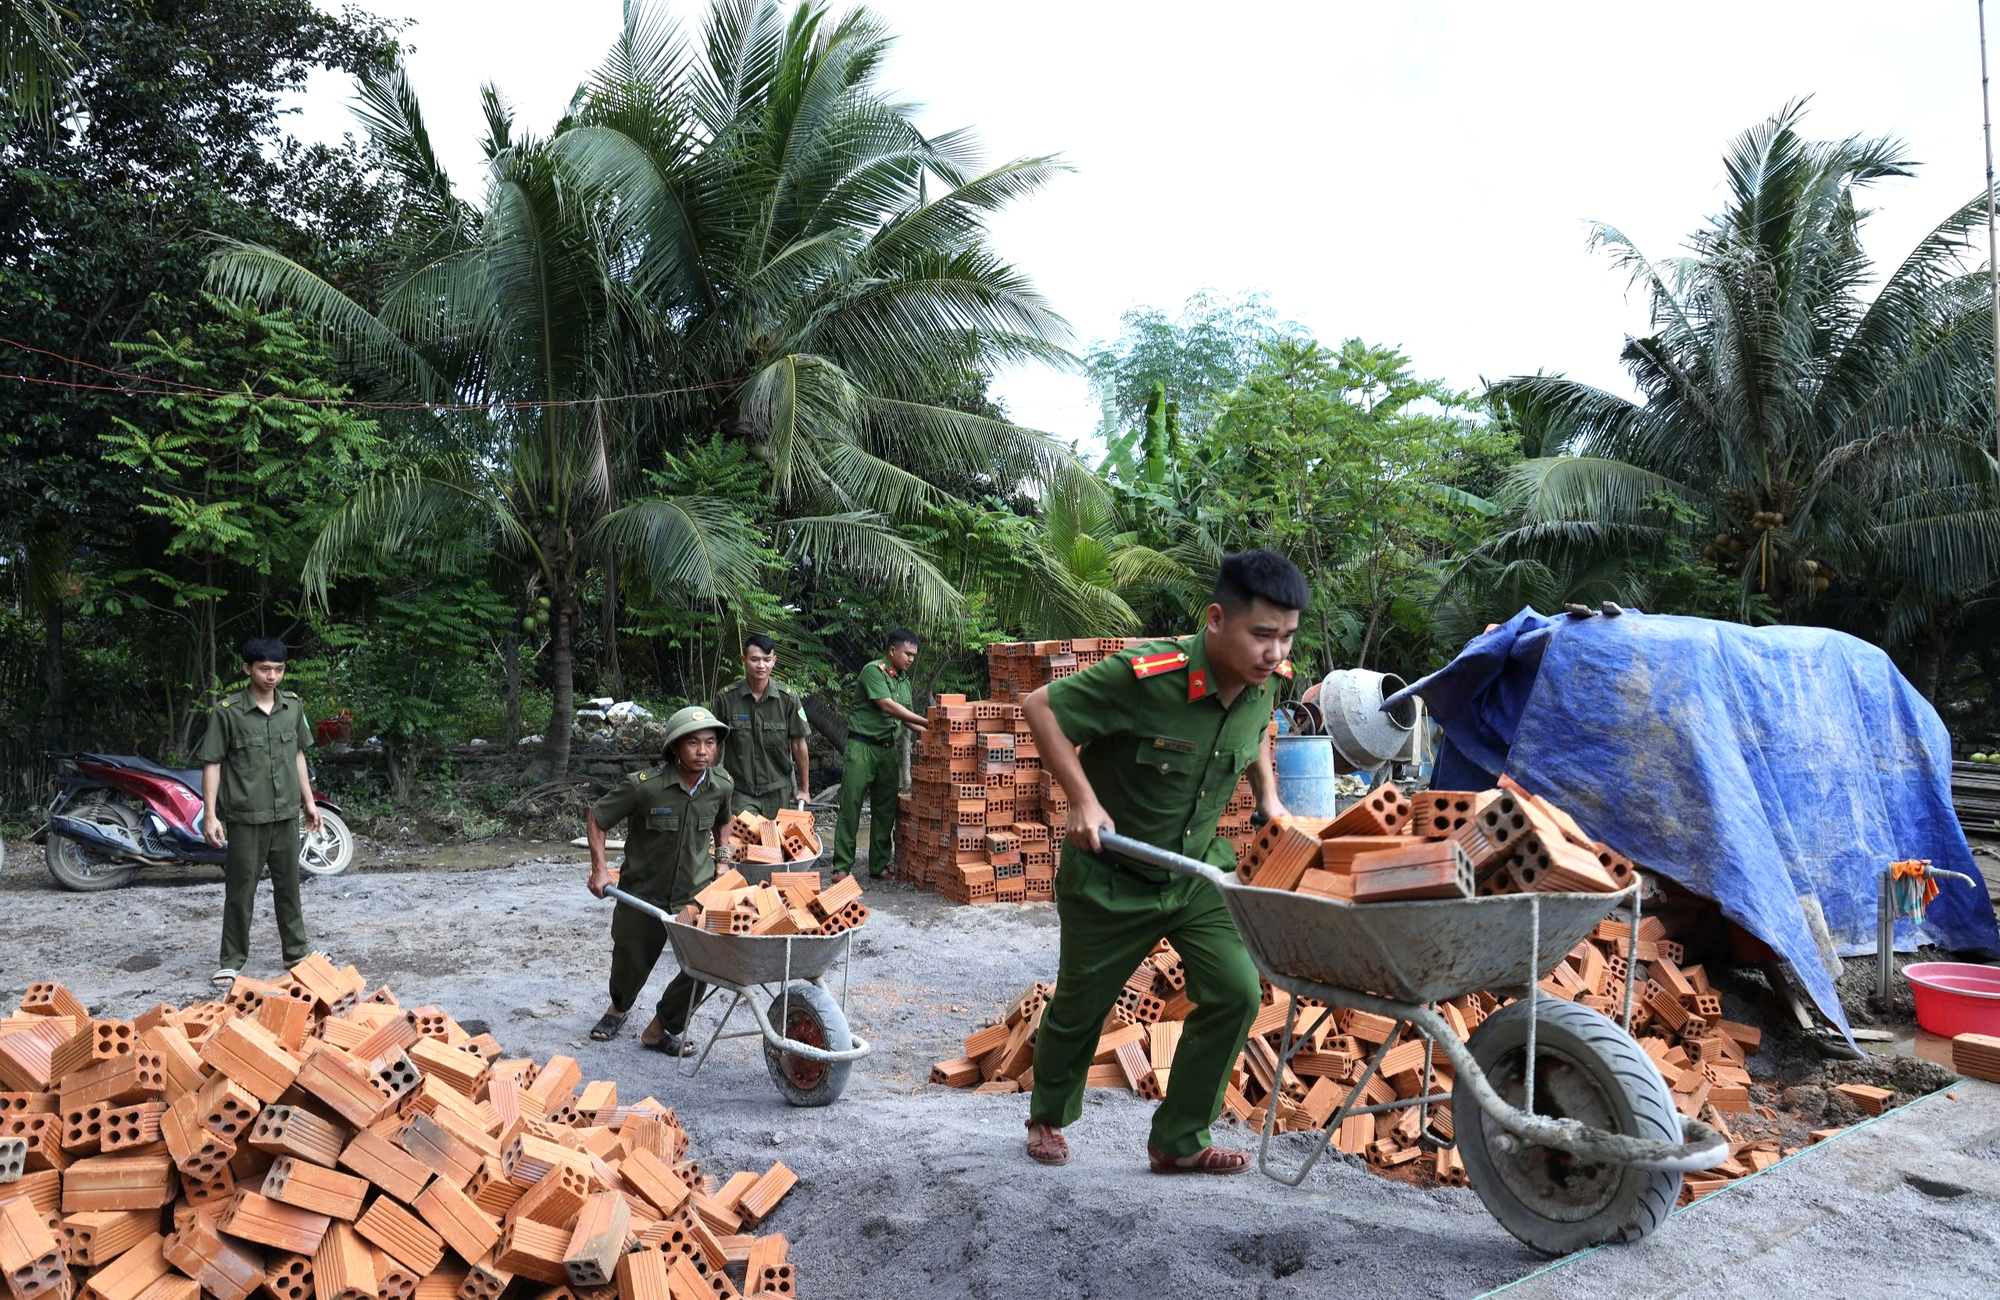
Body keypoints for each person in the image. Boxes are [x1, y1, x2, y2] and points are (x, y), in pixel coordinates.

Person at [1018, 551, 1305, 1174]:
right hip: (1112, 872)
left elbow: (1256, 728)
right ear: (1216, 619)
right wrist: (1084, 802)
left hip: (1197, 871)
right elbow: (1041, 707)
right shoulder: (1147, 675)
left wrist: (1269, 794)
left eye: (1286, 637)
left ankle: (1178, 1139)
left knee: (1236, 991)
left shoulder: (1267, 681)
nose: (1275, 653)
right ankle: (1048, 1116)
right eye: (1262, 635)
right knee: (1081, 1005)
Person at [584, 705, 736, 1052]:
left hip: (695, 896)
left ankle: (662, 1026)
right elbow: (598, 816)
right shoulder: (645, 787)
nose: (703, 751)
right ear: (675, 748)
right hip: (643, 893)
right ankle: (618, 1008)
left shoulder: (721, 785)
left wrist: (722, 862)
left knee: (708, 962)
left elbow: (722, 821)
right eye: (694, 743)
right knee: (630, 959)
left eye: (710, 743)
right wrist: (599, 868)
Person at [196, 637, 323, 986]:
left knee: (290, 887)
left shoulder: (292, 707)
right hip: (245, 816)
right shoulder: (227, 712)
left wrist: (309, 802)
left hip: (285, 814)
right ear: (246, 668)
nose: (272, 677)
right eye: (264, 669)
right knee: (240, 890)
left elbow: (298, 755)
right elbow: (213, 763)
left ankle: (296, 953)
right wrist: (210, 815)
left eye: (278, 670)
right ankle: (232, 959)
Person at [830, 630, 927, 880]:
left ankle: (879, 866)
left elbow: (908, 720)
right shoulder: (874, 671)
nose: (911, 660)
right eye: (907, 654)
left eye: (914, 656)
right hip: (862, 747)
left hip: (887, 750)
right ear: (892, 651)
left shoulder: (903, 682)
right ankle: (842, 866)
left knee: (885, 808)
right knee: (851, 804)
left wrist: (935, 730)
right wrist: (928, 721)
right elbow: (888, 706)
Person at [711, 634, 813, 819]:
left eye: (767, 660)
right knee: (746, 841)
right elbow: (713, 744)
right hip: (740, 790)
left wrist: (805, 789)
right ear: (743, 660)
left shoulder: (788, 699)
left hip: (777, 791)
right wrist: (707, 783)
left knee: (773, 844)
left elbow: (799, 745)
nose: (761, 665)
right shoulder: (726, 698)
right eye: (754, 659)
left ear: (774, 661)